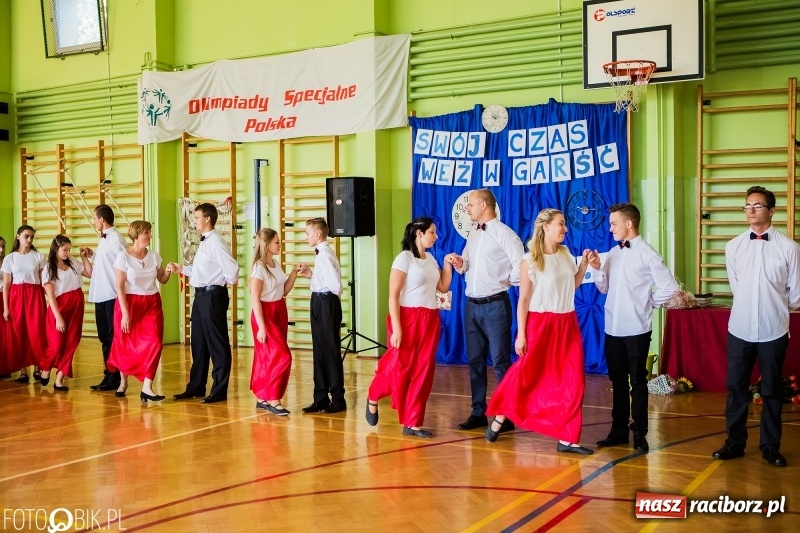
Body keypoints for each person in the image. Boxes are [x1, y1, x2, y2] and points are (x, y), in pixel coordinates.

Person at [484, 208, 593, 455]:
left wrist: (584, 265)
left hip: (567, 323)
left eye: (564, 224)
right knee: (528, 376)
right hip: (541, 324)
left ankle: (568, 439)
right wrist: (521, 335)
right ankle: (501, 414)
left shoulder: (566, 254)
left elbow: (572, 285)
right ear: (545, 226)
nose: (565, 228)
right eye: (561, 224)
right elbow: (523, 300)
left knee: (574, 380)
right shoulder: (529, 260)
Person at [712, 186, 800, 467]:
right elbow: (737, 287)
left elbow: (796, 295)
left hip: (774, 329)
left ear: (772, 211)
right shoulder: (734, 246)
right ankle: (734, 442)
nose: (750, 210)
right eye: (747, 205)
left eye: (757, 205)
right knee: (736, 387)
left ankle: (771, 447)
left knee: (772, 390)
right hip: (740, 329)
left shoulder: (790, 248)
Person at [588, 203, 678, 452]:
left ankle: (639, 432)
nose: (610, 228)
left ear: (629, 223)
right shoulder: (613, 253)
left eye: (614, 223)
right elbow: (604, 288)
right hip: (612, 328)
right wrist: (597, 269)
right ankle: (618, 430)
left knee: (638, 381)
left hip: (637, 328)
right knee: (617, 380)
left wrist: (648, 303)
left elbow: (669, 287)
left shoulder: (648, 253)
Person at [365, 217, 453, 438]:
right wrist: (397, 328)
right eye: (432, 232)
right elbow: (393, 295)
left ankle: (412, 423)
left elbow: (442, 287)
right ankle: (374, 394)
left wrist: (449, 265)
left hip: (430, 319)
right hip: (407, 318)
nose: (436, 236)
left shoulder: (431, 259)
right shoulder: (404, 259)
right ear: (419, 234)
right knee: (399, 367)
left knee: (423, 371)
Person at [445, 189, 524, 431]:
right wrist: (460, 263)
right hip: (471, 306)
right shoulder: (473, 235)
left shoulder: (505, 234)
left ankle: (506, 415)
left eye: (470, 205)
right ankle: (478, 412)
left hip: (495, 305)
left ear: (483, 205)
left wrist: (506, 281)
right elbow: (467, 265)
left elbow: (521, 264)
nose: (467, 208)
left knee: (500, 361)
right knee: (475, 361)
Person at [169, 203, 239, 404]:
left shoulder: (216, 241)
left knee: (217, 343)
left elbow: (231, 270)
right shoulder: (205, 242)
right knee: (198, 343)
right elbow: (204, 271)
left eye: (197, 217)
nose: (195, 221)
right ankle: (196, 386)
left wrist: (221, 284)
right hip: (200, 296)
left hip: (212, 296)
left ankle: (219, 389)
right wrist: (182, 268)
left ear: (207, 218)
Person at [108, 220, 174, 403]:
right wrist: (126, 313)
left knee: (155, 342)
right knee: (125, 343)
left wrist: (167, 271)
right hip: (129, 303)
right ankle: (123, 382)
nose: (150, 236)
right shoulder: (123, 257)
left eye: (150, 232)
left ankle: (147, 387)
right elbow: (119, 287)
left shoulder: (154, 256)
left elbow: (162, 279)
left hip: (152, 303)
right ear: (137, 235)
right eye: (147, 233)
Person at [297, 217, 346, 414]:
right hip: (318, 300)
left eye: (308, 233)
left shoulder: (325, 255)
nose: (306, 236)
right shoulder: (321, 255)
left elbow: (335, 286)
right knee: (320, 350)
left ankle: (337, 398)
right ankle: (321, 397)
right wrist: (312, 276)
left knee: (330, 351)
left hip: (326, 302)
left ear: (318, 235)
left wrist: (324, 291)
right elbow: (324, 279)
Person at [249, 228, 300, 415]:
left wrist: (294, 272)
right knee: (282, 356)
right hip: (264, 313)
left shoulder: (275, 264)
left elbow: (283, 291)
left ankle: (262, 397)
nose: (280, 244)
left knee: (266, 357)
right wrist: (261, 327)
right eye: (277, 242)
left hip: (279, 310)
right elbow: (255, 299)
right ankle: (273, 399)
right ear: (267, 244)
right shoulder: (259, 268)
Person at [41, 235, 93, 391]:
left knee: (71, 342)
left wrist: (84, 258)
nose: (68, 252)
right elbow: (50, 296)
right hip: (59, 307)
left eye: (69, 249)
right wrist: (58, 318)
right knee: (57, 344)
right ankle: (46, 368)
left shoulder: (72, 262)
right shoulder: (49, 268)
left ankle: (59, 380)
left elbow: (90, 273)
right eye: (65, 249)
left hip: (76, 305)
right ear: (56, 248)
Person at [84, 205, 127, 392]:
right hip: (101, 294)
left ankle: (114, 376)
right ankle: (109, 374)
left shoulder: (116, 239)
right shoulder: (104, 240)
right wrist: (92, 255)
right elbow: (106, 262)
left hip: (112, 295)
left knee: (111, 337)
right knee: (104, 337)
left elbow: (125, 263)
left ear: (102, 220)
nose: (94, 221)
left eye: (95, 218)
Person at [1, 225, 46, 384]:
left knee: (36, 331)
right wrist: (6, 307)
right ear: (18, 236)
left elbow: (44, 282)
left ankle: (38, 369)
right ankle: (23, 371)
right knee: (19, 332)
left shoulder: (39, 257)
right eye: (26, 236)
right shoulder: (10, 258)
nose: (29, 240)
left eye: (32, 237)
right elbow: (6, 284)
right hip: (16, 296)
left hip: (35, 295)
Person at [0, 235, 14, 378]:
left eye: (3, 246)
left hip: (6, 298)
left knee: (5, 334)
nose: (1, 249)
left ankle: (4, 367)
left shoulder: (9, 260)